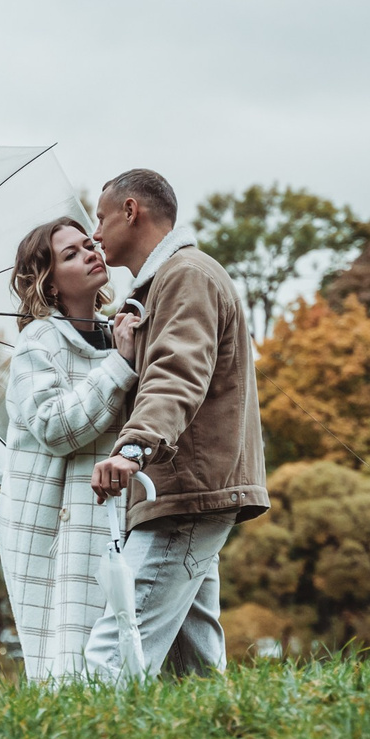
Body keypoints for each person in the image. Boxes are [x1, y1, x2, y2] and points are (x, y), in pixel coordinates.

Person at [83, 168, 268, 677]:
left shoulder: (187, 275)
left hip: (185, 492)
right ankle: (226, 726)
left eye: (100, 218)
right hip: (182, 490)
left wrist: (133, 448)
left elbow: (178, 371)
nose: (95, 234)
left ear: (131, 211)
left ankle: (80, 729)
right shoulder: (163, 285)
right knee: (195, 673)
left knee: (116, 646)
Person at [0, 218, 141, 682]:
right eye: (71, 254)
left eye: (88, 244)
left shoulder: (116, 332)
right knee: (67, 650)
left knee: (119, 639)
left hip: (109, 509)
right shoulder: (37, 343)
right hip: (52, 519)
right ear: (50, 283)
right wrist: (119, 365)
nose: (90, 253)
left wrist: (123, 352)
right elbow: (54, 428)